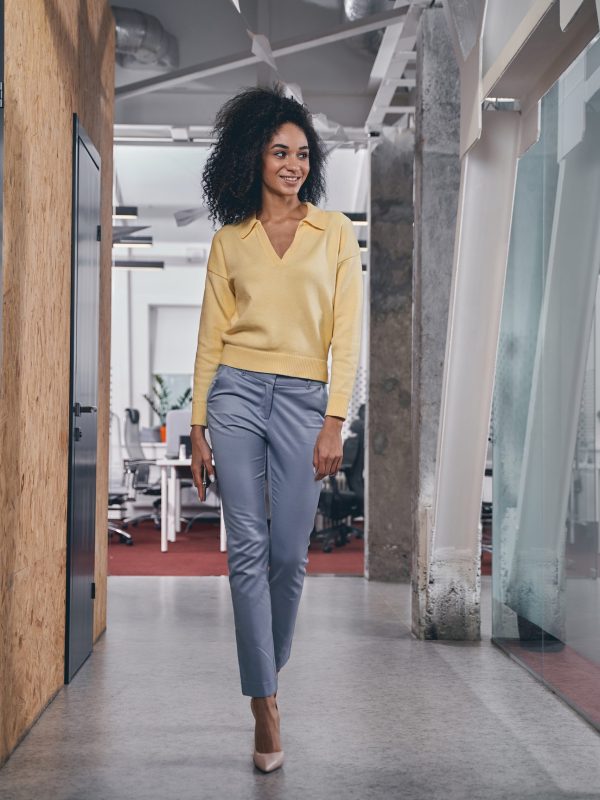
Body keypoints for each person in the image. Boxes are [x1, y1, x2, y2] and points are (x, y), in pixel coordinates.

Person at [190, 85, 363, 773]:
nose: (291, 164)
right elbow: (209, 339)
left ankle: (267, 667)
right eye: (278, 151)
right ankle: (265, 702)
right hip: (234, 391)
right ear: (253, 157)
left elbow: (345, 339)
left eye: (301, 154)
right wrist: (199, 424)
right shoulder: (229, 241)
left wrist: (334, 422)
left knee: (289, 554)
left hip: (302, 400)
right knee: (246, 550)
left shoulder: (336, 233)